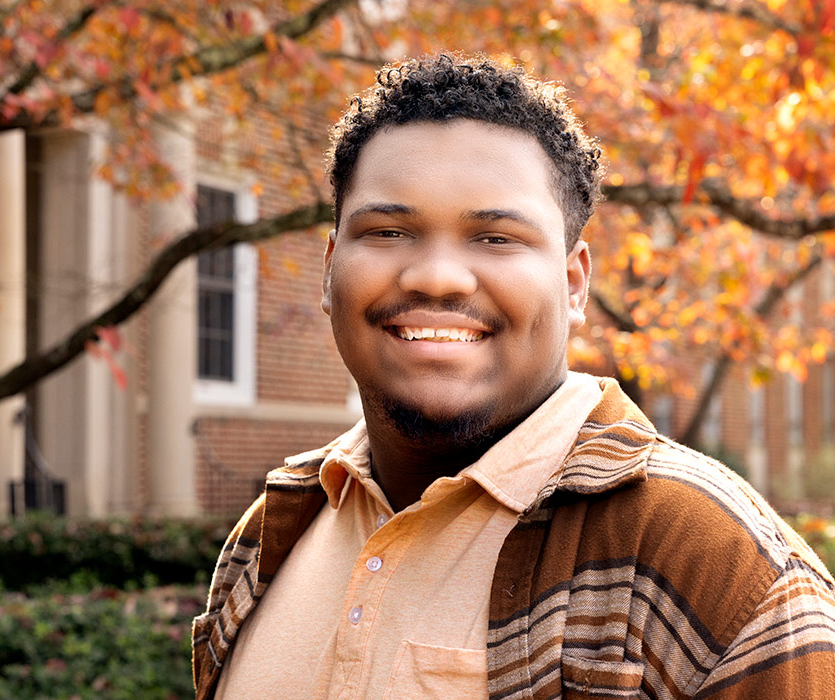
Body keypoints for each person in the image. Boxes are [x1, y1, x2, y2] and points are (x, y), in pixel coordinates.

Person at [191, 53, 835, 699]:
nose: (436, 276)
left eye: (496, 238)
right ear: (329, 270)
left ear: (575, 283)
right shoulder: (270, 533)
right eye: (389, 231)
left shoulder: (716, 563)